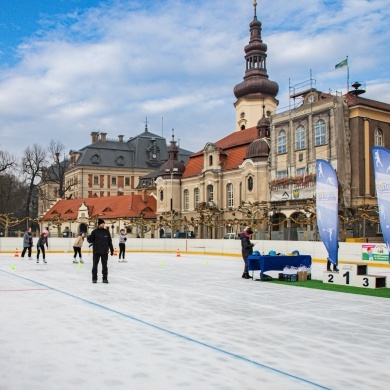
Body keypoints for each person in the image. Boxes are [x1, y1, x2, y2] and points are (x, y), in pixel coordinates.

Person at [87, 219, 114, 284]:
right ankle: (94, 278)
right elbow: (90, 240)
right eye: (102, 224)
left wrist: (111, 249)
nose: (103, 225)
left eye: (103, 224)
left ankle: (105, 278)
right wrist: (88, 237)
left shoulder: (106, 232)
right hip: (96, 252)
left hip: (104, 252)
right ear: (99, 224)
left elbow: (109, 241)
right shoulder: (94, 232)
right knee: (95, 266)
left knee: (104, 266)